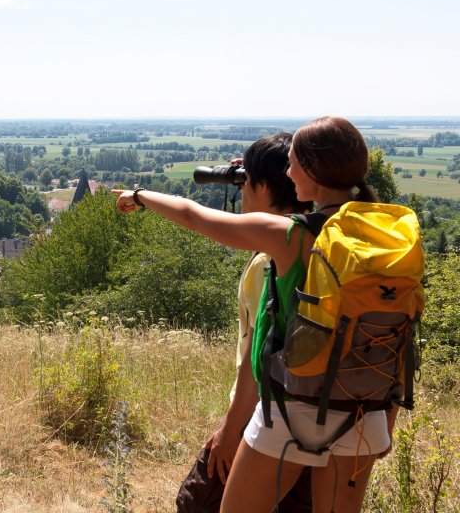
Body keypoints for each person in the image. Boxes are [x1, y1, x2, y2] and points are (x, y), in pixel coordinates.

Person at [113, 117, 397, 513]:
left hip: (293, 409)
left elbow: (195, 216)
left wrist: (141, 195)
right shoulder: (388, 236)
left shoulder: (292, 235)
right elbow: (395, 331)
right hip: (365, 412)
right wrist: (388, 420)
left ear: (313, 171)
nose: (288, 172)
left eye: (293, 163)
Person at [175, 133, 313, 513]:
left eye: (247, 182)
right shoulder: (325, 239)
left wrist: (231, 430)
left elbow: (258, 357)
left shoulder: (268, 261)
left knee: (195, 503)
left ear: (264, 186)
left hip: (269, 421)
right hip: (327, 419)